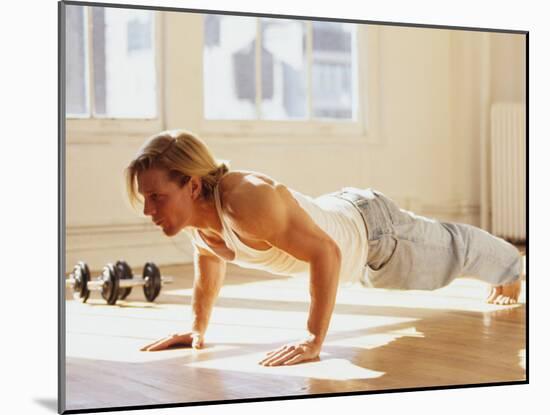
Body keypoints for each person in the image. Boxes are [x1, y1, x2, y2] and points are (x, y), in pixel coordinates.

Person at [125, 129, 523, 367]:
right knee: (441, 260)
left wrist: (313, 339)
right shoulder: (201, 221)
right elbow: (208, 265)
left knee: (455, 255)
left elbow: (326, 254)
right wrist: (197, 328)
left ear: (192, 185)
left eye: (156, 197)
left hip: (376, 237)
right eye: (145, 198)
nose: (147, 209)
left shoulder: (244, 200)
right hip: (351, 238)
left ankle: (513, 266)